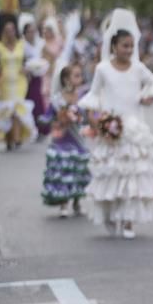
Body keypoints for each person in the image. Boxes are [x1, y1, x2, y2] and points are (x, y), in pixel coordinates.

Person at [78, 11, 153, 239]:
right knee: (111, 175)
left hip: (133, 129)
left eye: (131, 46)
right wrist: (97, 121)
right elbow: (93, 96)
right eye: (124, 46)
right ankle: (110, 214)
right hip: (111, 127)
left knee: (132, 178)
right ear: (114, 46)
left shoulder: (138, 68)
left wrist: (149, 96)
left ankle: (128, 222)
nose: (128, 50)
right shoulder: (102, 69)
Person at [40, 63, 91, 218]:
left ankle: (77, 203)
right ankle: (64, 203)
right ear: (66, 79)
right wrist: (54, 120)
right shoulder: (57, 99)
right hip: (62, 141)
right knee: (63, 172)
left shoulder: (82, 98)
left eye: (80, 75)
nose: (80, 78)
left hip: (78, 141)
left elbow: (87, 118)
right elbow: (48, 116)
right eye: (76, 75)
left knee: (77, 172)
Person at [0, 14, 37, 150]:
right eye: (7, 30)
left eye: (12, 30)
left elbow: (35, 59)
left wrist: (27, 69)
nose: (10, 33)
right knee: (8, 110)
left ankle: (17, 138)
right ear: (3, 32)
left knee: (17, 109)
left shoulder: (22, 45)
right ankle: (8, 138)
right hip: (5, 83)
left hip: (19, 82)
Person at [21, 16, 49, 136]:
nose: (32, 34)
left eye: (34, 31)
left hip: (37, 76)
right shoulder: (22, 45)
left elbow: (45, 58)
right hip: (25, 78)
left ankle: (42, 128)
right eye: (29, 32)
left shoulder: (39, 44)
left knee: (37, 102)